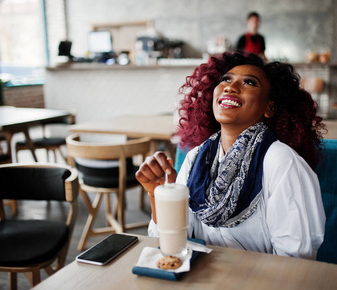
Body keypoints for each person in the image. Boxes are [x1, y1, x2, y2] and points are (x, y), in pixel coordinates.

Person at [136, 51, 326, 259]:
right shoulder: (196, 158)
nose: (230, 87)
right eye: (226, 79)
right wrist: (158, 195)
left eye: (249, 83)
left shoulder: (281, 162)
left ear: (269, 108)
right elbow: (172, 242)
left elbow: (295, 259)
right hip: (198, 280)